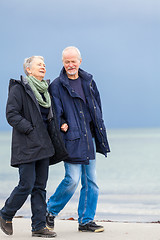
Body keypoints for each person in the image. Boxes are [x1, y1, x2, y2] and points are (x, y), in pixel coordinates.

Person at [0, 56, 67, 238]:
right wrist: (30, 129)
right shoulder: (19, 89)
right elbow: (11, 114)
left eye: (44, 64)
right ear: (28, 69)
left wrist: (61, 125)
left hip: (44, 146)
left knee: (40, 188)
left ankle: (38, 226)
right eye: (39, 64)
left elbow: (50, 117)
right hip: (27, 145)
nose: (43, 66)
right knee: (26, 185)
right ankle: (5, 213)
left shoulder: (46, 92)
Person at [46, 46, 110, 233]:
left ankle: (86, 221)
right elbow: (55, 113)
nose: (70, 65)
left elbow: (97, 107)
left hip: (89, 137)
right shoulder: (57, 85)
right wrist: (62, 123)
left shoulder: (89, 81)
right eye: (67, 62)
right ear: (63, 63)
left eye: (73, 61)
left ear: (80, 61)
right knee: (72, 179)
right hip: (71, 138)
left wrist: (98, 129)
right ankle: (49, 211)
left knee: (91, 182)